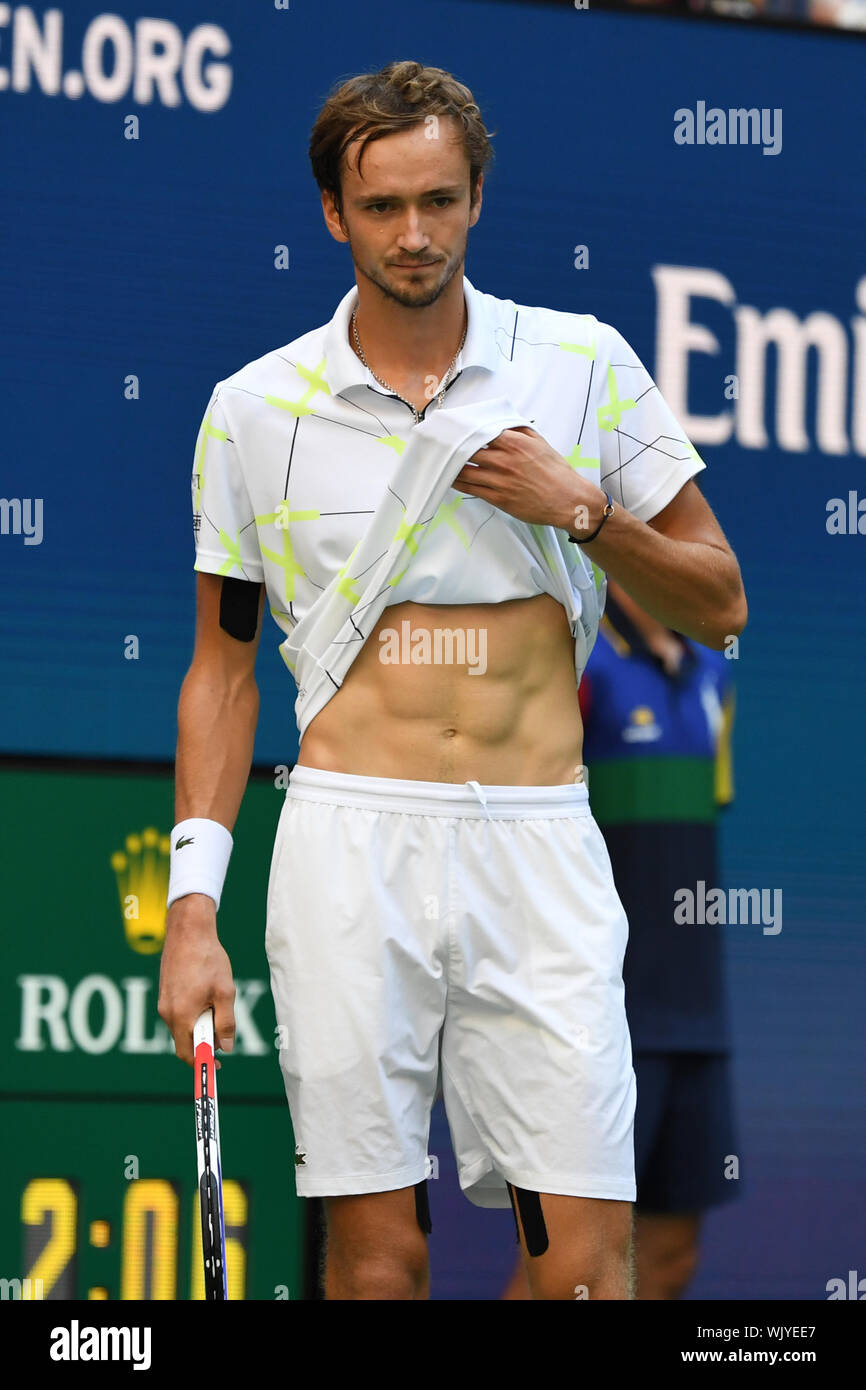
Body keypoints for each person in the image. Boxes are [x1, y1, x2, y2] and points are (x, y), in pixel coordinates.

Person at [157, 59, 747, 1301]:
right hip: (346, 849)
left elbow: (719, 599)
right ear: (332, 213)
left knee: (585, 1264)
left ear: (476, 197)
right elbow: (222, 671)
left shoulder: (584, 366)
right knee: (378, 1264)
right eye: (381, 207)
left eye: (438, 200)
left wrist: (581, 509)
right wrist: (192, 907)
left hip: (537, 846)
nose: (413, 233)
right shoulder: (251, 410)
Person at [502, 579, 739, 1300]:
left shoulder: (715, 671)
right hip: (596, 1014)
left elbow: (705, 815)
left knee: (668, 1259)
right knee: (568, 1272)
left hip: (695, 1012)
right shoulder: (575, 665)